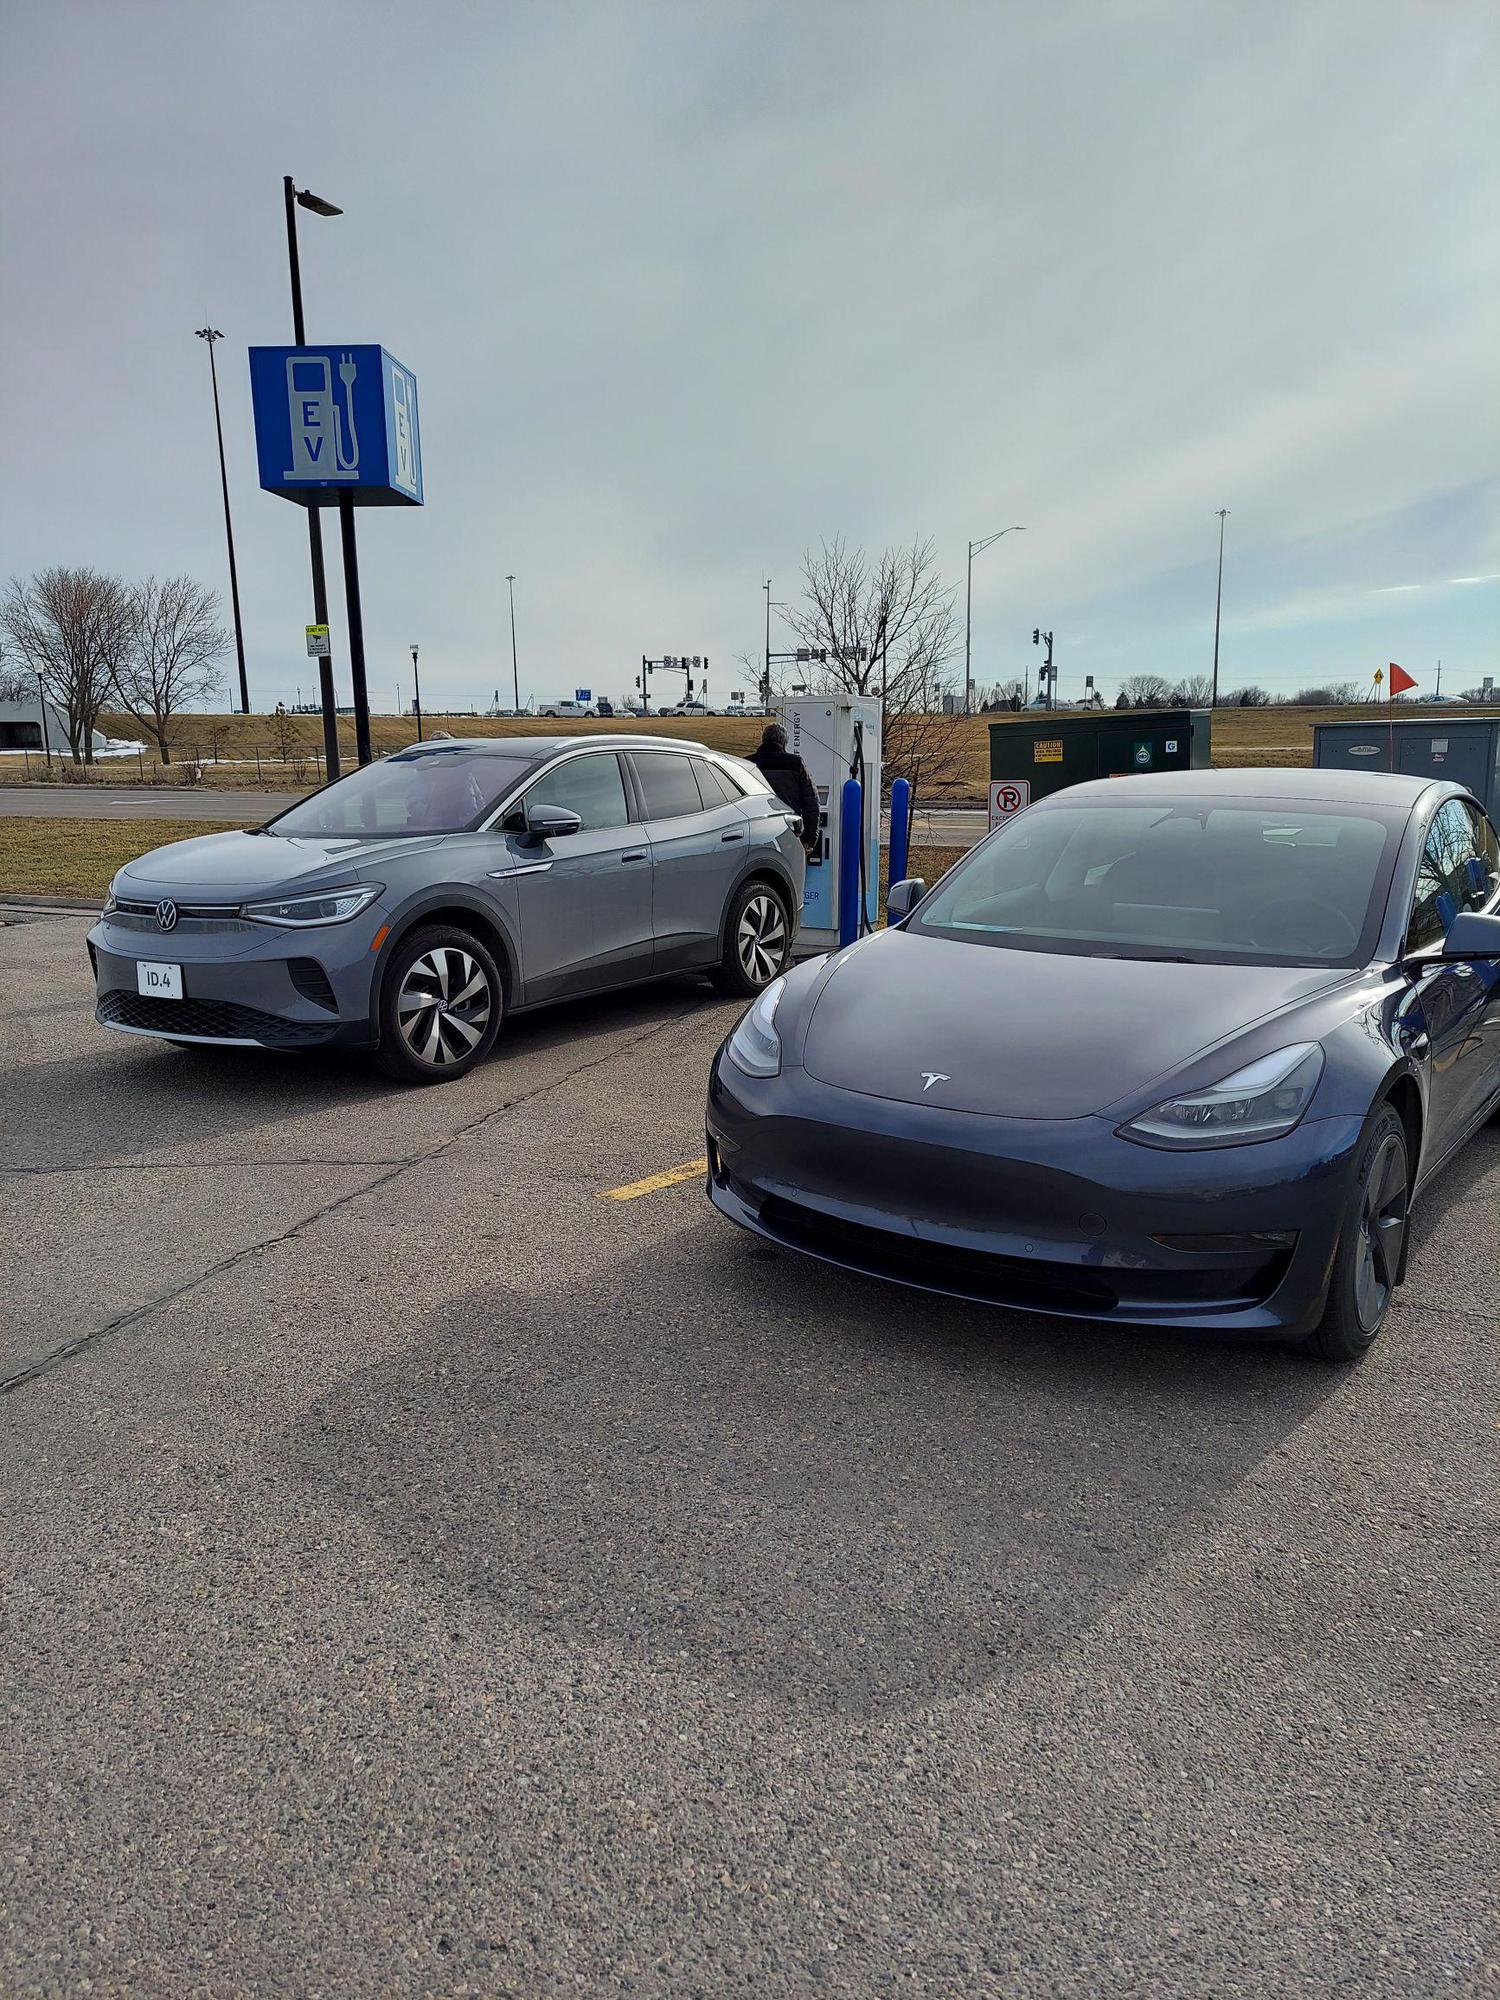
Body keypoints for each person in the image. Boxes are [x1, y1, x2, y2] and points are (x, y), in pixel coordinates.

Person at [750, 722, 821, 856]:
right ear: (784, 742)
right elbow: (811, 804)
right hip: (789, 832)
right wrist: (810, 840)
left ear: (763, 740)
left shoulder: (748, 764)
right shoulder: (796, 763)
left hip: (756, 833)